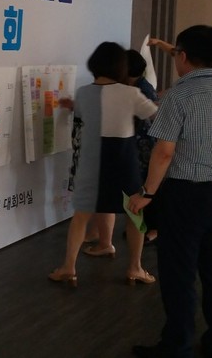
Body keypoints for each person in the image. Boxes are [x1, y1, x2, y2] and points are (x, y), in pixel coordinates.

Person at [130, 25, 212, 358]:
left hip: (187, 196)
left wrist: (147, 193)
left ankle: (177, 346)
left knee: (179, 274)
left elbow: (164, 152)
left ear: (182, 56)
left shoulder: (179, 95)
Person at [49, 42, 158, 287]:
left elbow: (85, 112)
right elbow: (155, 115)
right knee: (135, 214)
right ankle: (135, 268)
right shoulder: (130, 93)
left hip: (93, 157)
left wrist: (71, 105)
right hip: (123, 158)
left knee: (81, 215)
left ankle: (69, 267)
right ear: (121, 67)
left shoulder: (84, 93)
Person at [126, 49, 159, 245]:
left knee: (146, 188)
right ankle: (140, 228)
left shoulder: (141, 90)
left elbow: (151, 116)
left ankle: (151, 229)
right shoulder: (138, 86)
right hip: (141, 144)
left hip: (145, 145)